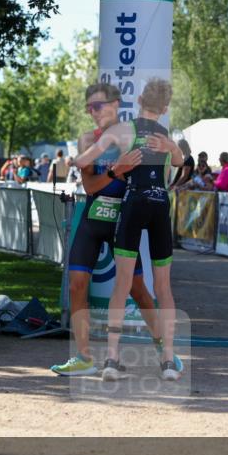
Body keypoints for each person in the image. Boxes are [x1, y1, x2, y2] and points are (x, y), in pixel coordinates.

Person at [50, 81, 181, 378]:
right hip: (95, 216)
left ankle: (164, 349)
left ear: (116, 105)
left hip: (124, 217)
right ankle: (84, 357)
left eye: (97, 106)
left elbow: (166, 171)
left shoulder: (135, 133)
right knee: (76, 284)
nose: (92, 112)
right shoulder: (88, 140)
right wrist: (115, 171)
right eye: (88, 108)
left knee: (140, 290)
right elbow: (91, 185)